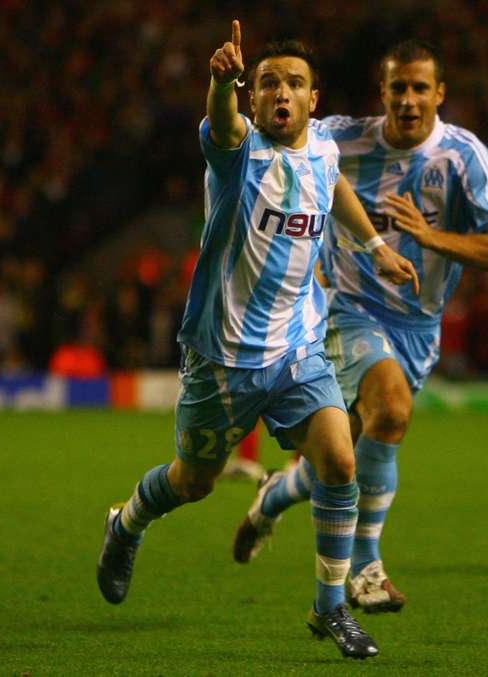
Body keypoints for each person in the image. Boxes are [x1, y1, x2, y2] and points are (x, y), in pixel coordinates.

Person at [96, 20, 420, 660]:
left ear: (312, 99)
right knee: (194, 482)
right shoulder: (238, 151)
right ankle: (126, 522)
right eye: (268, 82)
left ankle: (329, 608)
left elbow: (336, 186)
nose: (281, 93)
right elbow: (220, 124)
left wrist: (375, 245)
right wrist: (221, 84)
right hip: (221, 358)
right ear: (254, 96)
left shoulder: (324, 149)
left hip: (298, 349)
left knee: (339, 458)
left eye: (293, 84)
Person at [231, 39, 488, 611]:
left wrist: (431, 237)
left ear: (440, 94)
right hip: (345, 308)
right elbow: (275, 145)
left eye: (421, 89)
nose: (409, 100)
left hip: (419, 325)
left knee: (346, 454)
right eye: (398, 88)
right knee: (391, 410)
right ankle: (366, 570)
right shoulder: (341, 136)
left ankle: (274, 494)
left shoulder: (464, 157)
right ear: (383, 92)